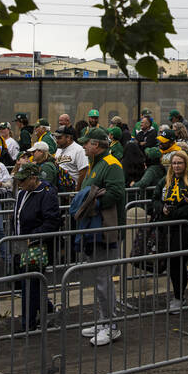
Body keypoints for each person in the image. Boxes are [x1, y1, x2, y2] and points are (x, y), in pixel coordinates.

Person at [77, 132, 126, 346]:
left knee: (104, 280)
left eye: (86, 144)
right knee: (99, 279)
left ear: (96, 144)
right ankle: (104, 321)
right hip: (95, 229)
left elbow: (115, 193)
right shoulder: (95, 163)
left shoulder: (111, 163)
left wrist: (89, 203)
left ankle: (111, 325)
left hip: (107, 230)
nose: (84, 147)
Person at [12, 162, 61, 331]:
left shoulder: (46, 193)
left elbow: (52, 221)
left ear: (33, 178)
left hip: (37, 245)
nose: (20, 184)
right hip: (21, 241)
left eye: (23, 180)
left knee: (30, 283)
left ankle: (28, 324)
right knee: (27, 282)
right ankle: (46, 308)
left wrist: (33, 237)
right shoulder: (22, 193)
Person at [151, 151, 188, 313]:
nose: (177, 166)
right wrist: (162, 208)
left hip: (183, 228)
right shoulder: (164, 181)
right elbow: (155, 199)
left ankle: (179, 297)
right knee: (170, 263)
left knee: (178, 262)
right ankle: (176, 294)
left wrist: (173, 213)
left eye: (180, 163)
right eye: (174, 163)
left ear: (186, 164)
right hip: (165, 228)